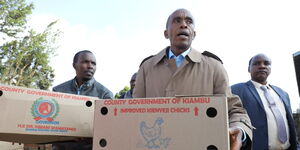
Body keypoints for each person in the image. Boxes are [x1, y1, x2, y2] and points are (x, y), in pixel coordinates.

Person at [133, 8, 253, 150]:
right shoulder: (147, 67)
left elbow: (234, 110)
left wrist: (239, 129)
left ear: (194, 34)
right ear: (166, 33)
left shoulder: (214, 67)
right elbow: (134, 112)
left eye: (189, 22)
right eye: (177, 21)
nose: (184, 25)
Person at [231, 54, 299, 150]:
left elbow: (290, 123)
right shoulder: (235, 90)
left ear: (270, 68)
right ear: (249, 69)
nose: (262, 66)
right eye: (256, 63)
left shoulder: (283, 94)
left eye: (266, 63)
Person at [52, 50, 113, 150]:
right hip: (61, 147)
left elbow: (107, 127)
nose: (90, 66)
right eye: (85, 62)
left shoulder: (105, 94)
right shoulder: (58, 91)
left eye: (93, 63)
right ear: (74, 65)